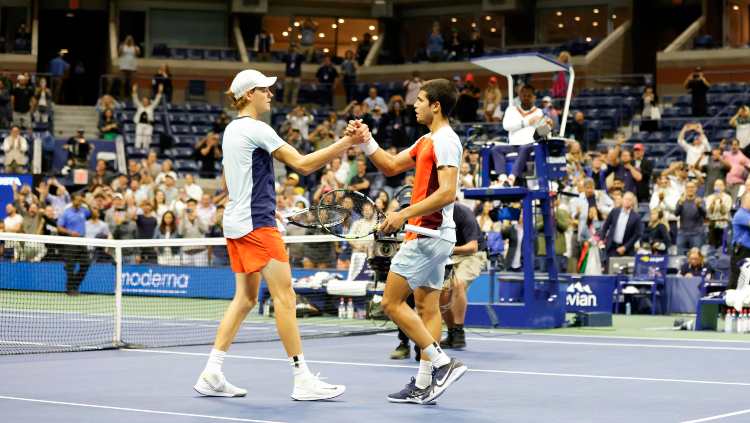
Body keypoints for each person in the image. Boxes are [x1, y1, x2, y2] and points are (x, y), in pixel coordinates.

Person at [193, 69, 366, 401]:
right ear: (247, 95)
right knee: (286, 298)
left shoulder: (230, 131)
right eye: (264, 89)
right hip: (257, 225)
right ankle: (302, 379)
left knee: (245, 298)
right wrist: (347, 142)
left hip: (236, 222)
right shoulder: (257, 128)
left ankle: (212, 372)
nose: (270, 94)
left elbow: (232, 180)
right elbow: (302, 164)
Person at [351, 78, 467, 404]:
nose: (414, 104)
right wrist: (366, 140)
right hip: (435, 236)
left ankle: (443, 364)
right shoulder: (426, 140)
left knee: (390, 303)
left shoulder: (445, 141)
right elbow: (389, 166)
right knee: (427, 306)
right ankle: (424, 382)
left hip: (426, 235)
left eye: (420, 100)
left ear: (436, 106)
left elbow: (447, 192)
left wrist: (403, 213)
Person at [439, 202, 488, 349]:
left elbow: (472, 247)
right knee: (441, 291)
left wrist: (448, 249)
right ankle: (451, 331)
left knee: (458, 283)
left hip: (472, 254)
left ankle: (459, 331)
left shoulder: (463, 213)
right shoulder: (432, 215)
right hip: (449, 255)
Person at [492, 84, 552, 187]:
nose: (526, 98)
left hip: (531, 146)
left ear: (534, 97)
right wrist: (527, 122)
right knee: (496, 149)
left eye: (529, 96)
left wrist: (548, 127)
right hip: (513, 145)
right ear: (519, 96)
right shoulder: (511, 110)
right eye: (524, 95)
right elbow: (506, 126)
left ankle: (511, 179)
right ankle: (502, 178)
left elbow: (540, 134)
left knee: (525, 148)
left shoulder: (539, 112)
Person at [57, 194, 91, 295]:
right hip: (70, 242)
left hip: (82, 241)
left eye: (80, 200)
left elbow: (94, 214)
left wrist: (87, 202)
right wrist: (71, 232)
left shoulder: (83, 210)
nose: (79, 202)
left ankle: (74, 285)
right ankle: (70, 289)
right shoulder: (66, 213)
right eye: (77, 200)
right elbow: (59, 227)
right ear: (72, 200)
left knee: (86, 264)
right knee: (70, 267)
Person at [600, 192, 642, 259]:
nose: (627, 201)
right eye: (625, 199)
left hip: (627, 250)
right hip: (612, 247)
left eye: (629, 200)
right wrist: (601, 239)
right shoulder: (614, 211)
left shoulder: (636, 217)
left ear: (633, 202)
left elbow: (637, 234)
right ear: (622, 200)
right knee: (609, 268)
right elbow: (605, 226)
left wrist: (625, 247)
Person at [675, 181, 706, 254]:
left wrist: (699, 206)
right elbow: (676, 213)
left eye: (692, 187)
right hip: (682, 233)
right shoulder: (681, 200)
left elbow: (705, 215)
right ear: (685, 189)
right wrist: (680, 204)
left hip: (696, 233)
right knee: (680, 255)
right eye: (688, 187)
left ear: (696, 189)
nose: (690, 189)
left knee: (696, 256)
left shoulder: (700, 201)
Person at [132, 83, 163, 150]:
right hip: (140, 124)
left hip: (148, 125)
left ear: (149, 102)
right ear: (142, 101)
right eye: (143, 101)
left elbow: (157, 100)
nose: (145, 102)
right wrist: (134, 91)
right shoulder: (139, 106)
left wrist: (160, 91)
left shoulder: (151, 107)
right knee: (138, 137)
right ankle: (137, 150)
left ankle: (145, 150)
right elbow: (135, 98)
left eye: (146, 101)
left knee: (147, 139)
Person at [730, 193, 750, 289]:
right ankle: (727, 303)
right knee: (737, 279)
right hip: (741, 252)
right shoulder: (741, 214)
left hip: (747, 251)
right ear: (745, 201)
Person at [705, 179, 732, 249]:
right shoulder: (709, 197)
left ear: (724, 187)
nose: (718, 187)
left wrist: (721, 201)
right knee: (712, 246)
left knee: (723, 246)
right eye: (716, 185)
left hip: (724, 222)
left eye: (720, 185)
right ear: (714, 187)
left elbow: (725, 212)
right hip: (712, 223)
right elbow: (709, 212)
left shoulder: (728, 198)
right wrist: (713, 202)